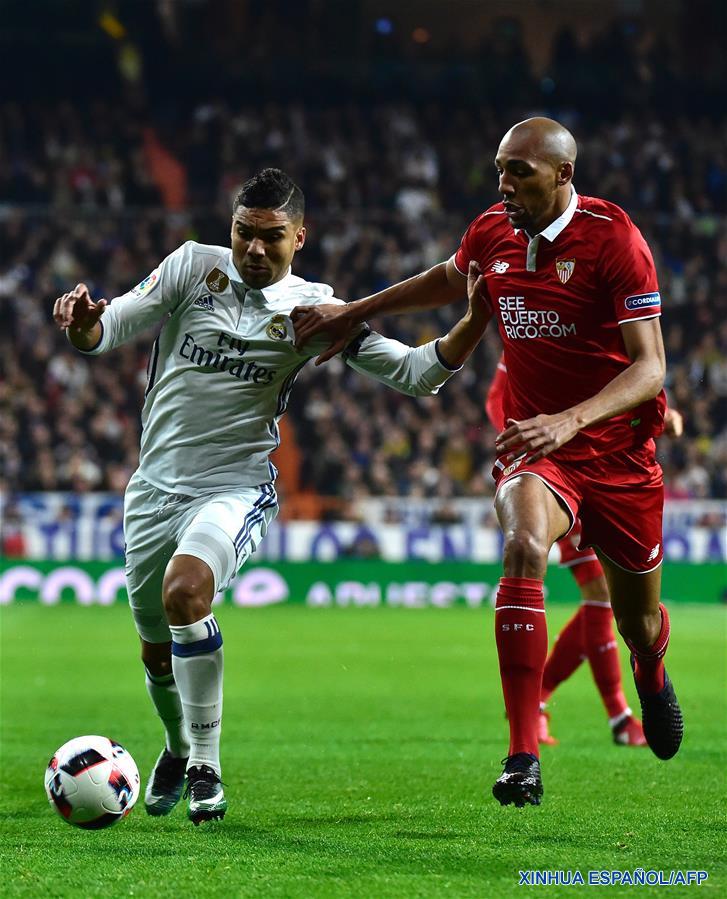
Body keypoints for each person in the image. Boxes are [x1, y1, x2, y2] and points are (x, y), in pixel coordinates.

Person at [53, 168, 490, 826]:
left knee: (185, 593)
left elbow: (415, 374)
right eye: (243, 233)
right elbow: (105, 329)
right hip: (153, 487)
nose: (254, 249)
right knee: (155, 650)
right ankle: (176, 744)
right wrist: (83, 327)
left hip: (233, 486)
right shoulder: (191, 268)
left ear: (299, 238)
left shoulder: (314, 310)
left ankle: (205, 766)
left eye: (271, 237)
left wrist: (475, 320)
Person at [292, 118, 684, 807]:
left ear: (562, 174)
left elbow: (650, 366)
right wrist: (354, 310)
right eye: (500, 169)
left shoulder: (614, 238)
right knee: (523, 545)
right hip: (538, 451)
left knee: (638, 623)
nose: (503, 183)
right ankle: (522, 755)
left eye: (519, 172)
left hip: (618, 455)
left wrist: (571, 419)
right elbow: (443, 280)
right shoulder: (491, 231)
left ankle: (648, 673)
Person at [488, 358, 683, 747]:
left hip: (608, 466)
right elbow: (497, 399)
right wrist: (527, 439)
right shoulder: (528, 336)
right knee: (598, 592)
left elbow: (631, 375)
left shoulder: (605, 333)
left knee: (619, 608)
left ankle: (545, 700)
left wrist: (662, 412)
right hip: (554, 471)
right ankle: (617, 716)